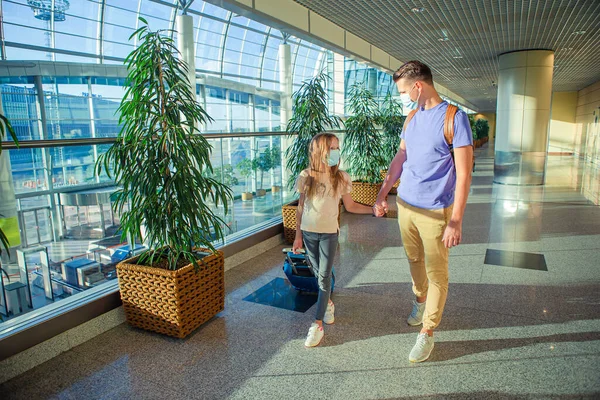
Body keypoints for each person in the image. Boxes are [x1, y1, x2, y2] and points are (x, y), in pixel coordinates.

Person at [374, 61, 473, 362]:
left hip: (436, 210)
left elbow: (465, 173)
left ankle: (427, 332)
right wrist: (382, 193)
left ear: (418, 86)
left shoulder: (455, 118)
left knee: (437, 272)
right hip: (406, 205)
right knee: (414, 259)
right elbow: (401, 155)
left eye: (404, 90)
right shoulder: (412, 116)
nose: (403, 96)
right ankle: (420, 300)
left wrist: (455, 219)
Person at [292, 132, 374, 348]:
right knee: (318, 274)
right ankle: (327, 303)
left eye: (338, 147)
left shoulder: (341, 177)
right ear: (321, 151)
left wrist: (373, 210)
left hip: (329, 234)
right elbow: (300, 208)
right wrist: (298, 236)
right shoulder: (306, 176)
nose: (337, 152)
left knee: (324, 276)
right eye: (333, 148)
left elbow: (351, 206)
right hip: (309, 233)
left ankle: (317, 324)